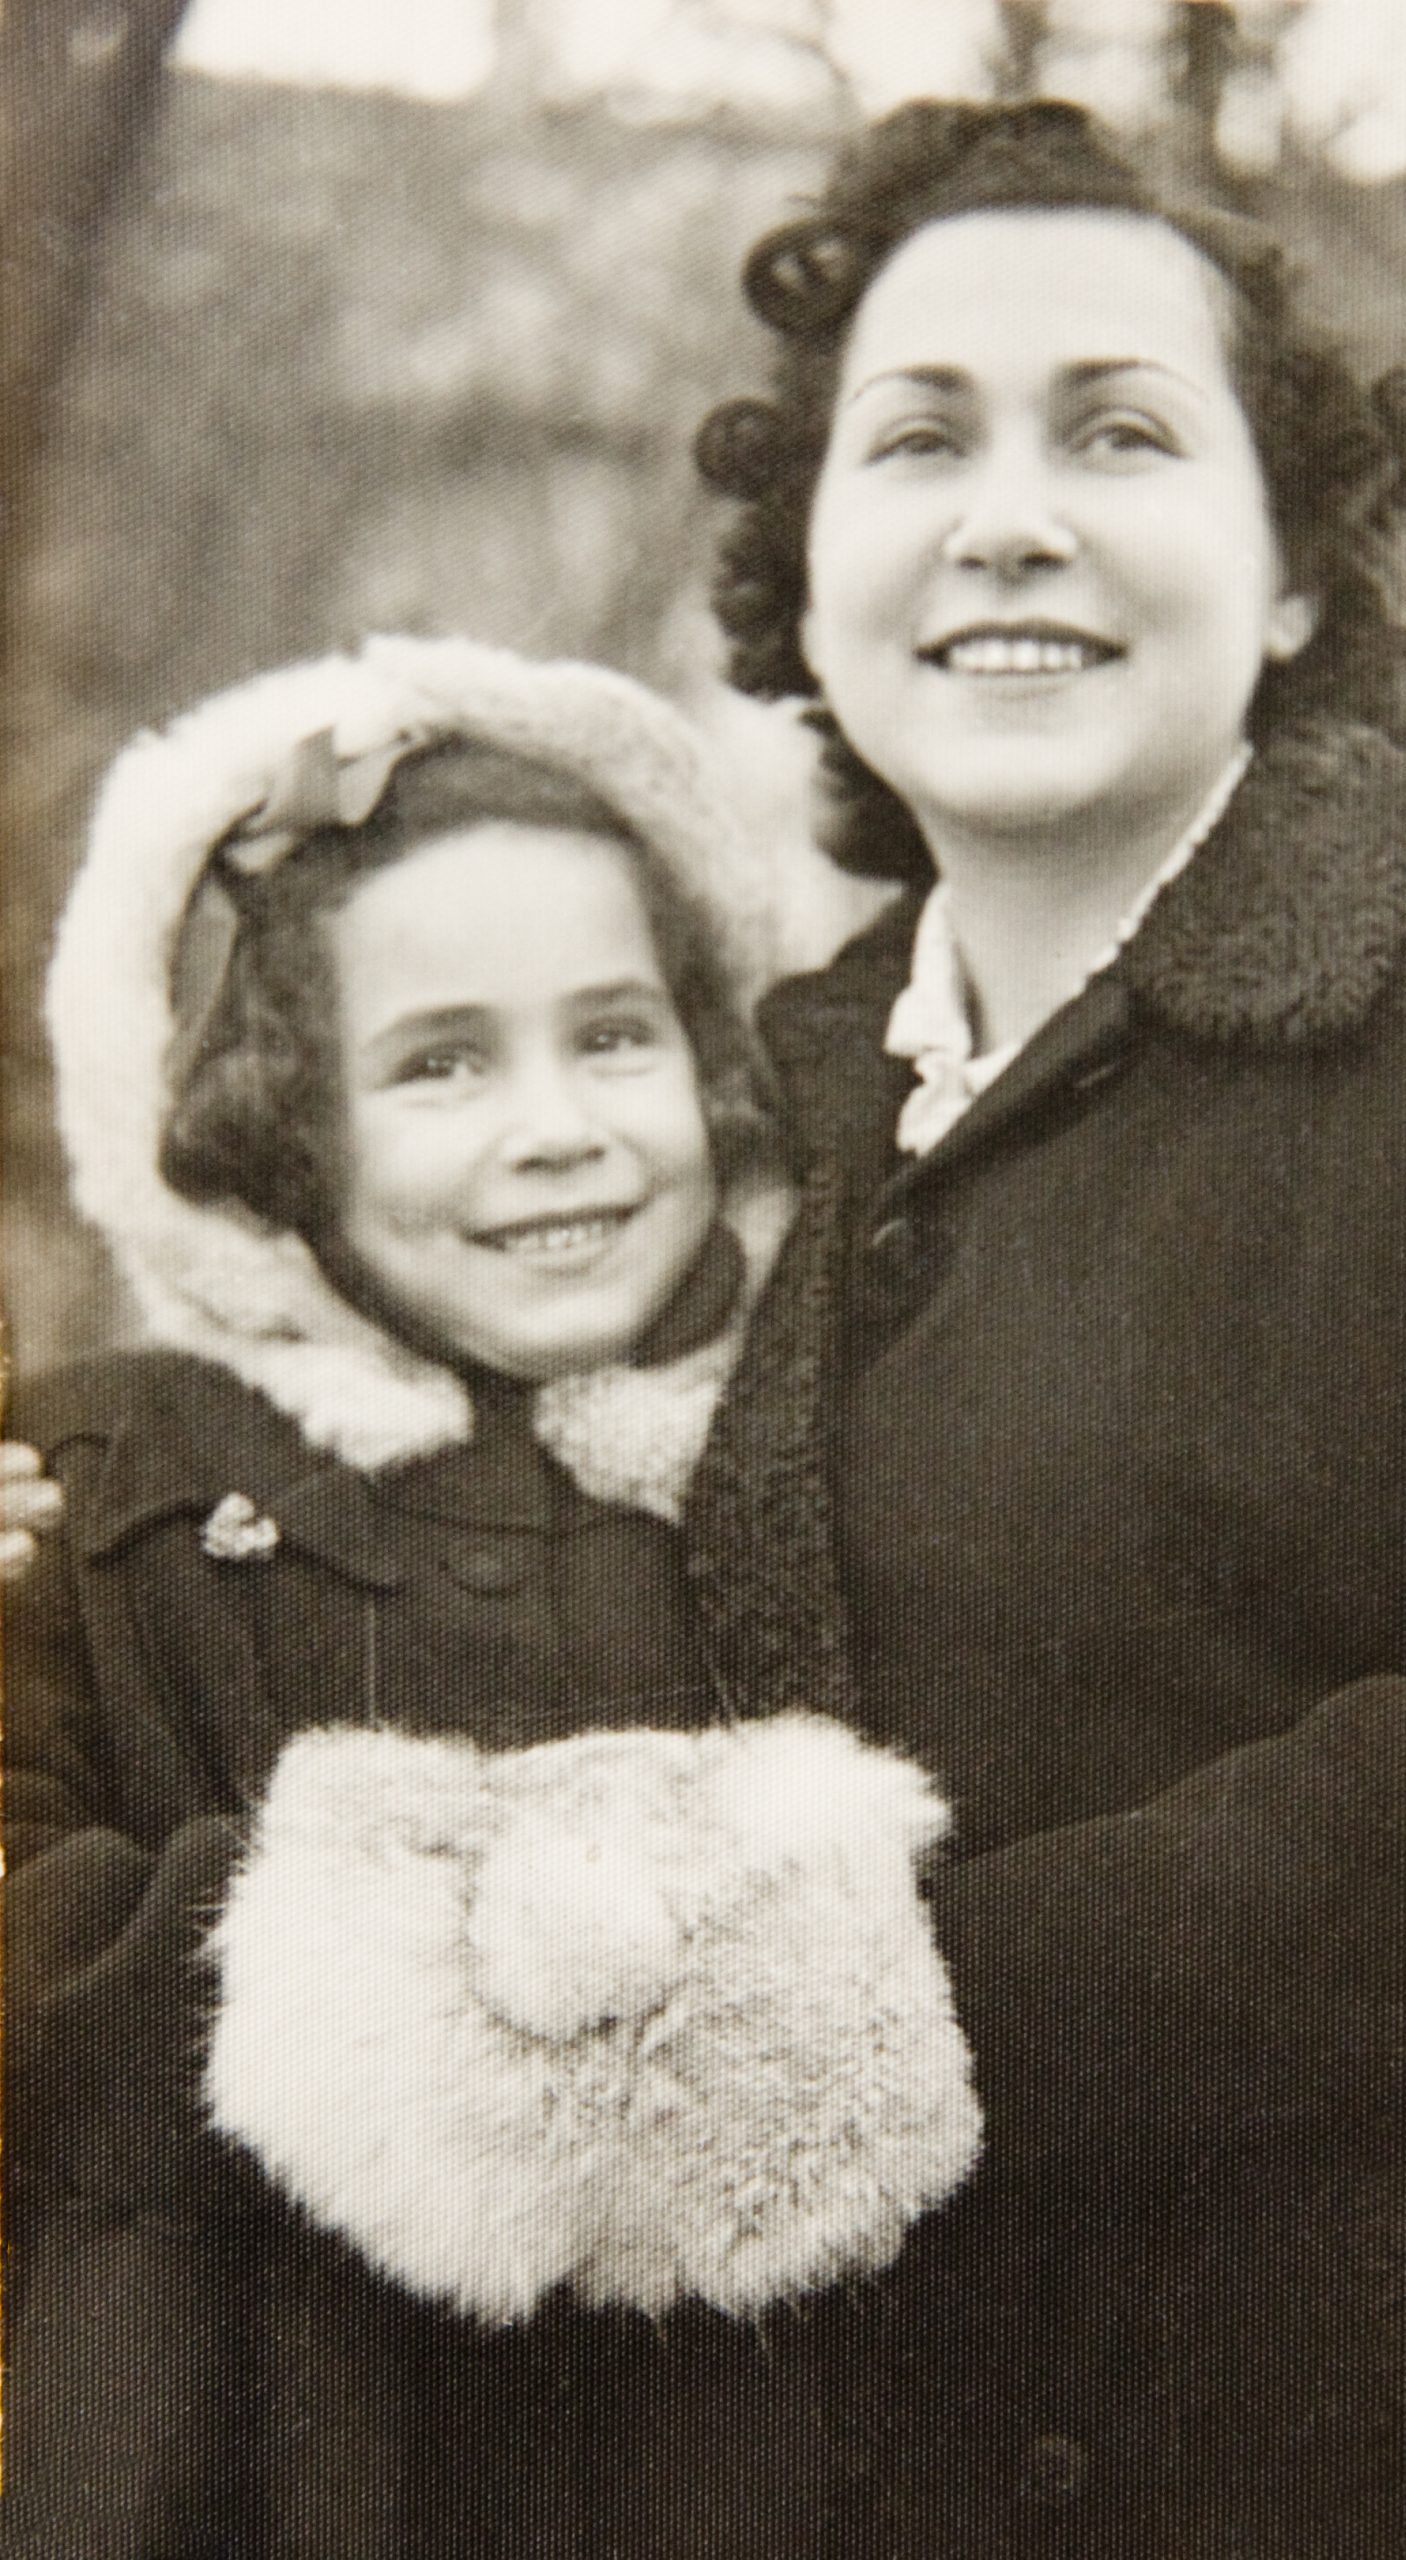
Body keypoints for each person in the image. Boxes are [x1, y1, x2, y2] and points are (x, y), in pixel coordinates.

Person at [679, 97, 1406, 2556]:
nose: (1005, 517)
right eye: (917, 438)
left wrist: (819, 2030)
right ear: (807, 574)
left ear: (1296, 571)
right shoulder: (734, 1115)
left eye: (1116, 431)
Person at [1, 632, 981, 2560]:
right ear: (283, 1132)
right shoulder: (111, 1477)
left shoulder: (820, 1448)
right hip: (253, 2456)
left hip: (745, 2468)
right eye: (440, 1063)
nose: (556, 1127)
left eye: (613, 1036)